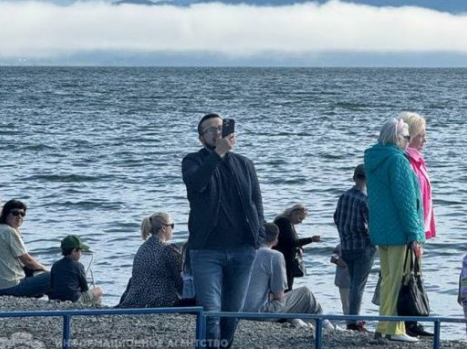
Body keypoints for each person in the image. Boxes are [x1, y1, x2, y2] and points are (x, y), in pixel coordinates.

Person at [182, 113, 266, 348]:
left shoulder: (244, 164)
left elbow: (256, 201)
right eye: (211, 129)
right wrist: (218, 153)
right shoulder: (192, 161)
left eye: (221, 127)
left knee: (232, 313)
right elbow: (197, 184)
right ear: (201, 138)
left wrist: (257, 238)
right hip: (207, 250)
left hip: (242, 250)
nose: (217, 132)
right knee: (210, 313)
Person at [365, 118, 425, 343]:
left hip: (381, 229)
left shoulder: (374, 159)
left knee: (388, 278)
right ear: (397, 138)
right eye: (407, 137)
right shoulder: (398, 161)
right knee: (399, 279)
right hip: (399, 231)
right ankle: (394, 328)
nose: (409, 141)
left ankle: (384, 325)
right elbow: (406, 201)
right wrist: (415, 234)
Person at [243, 223, 336, 330]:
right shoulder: (274, 256)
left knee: (285, 300)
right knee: (305, 294)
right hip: (259, 312)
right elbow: (279, 295)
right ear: (276, 240)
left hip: (237, 309)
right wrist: (272, 296)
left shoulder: (245, 252)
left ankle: (297, 321)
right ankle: (328, 327)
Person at [397, 112, 435, 337]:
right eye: (422, 135)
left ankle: (413, 319)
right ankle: (409, 321)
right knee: (408, 275)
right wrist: (415, 232)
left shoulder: (418, 161)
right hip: (412, 229)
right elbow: (411, 199)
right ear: (410, 136)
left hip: (418, 227)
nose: (425, 139)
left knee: (414, 274)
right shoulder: (408, 161)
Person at [333, 163, 376, 332]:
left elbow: (336, 218)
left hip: (346, 246)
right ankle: (353, 321)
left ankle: (351, 317)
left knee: (353, 284)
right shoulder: (365, 199)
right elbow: (372, 225)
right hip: (362, 247)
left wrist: (344, 236)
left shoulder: (343, 196)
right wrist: (373, 242)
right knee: (358, 285)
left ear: (354, 177)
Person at [0, 200, 51, 297]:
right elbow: (27, 261)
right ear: (6, 214)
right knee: (55, 275)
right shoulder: (9, 232)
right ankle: (64, 301)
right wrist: (46, 269)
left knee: (35, 273)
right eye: (15, 213)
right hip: (9, 288)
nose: (19, 216)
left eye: (22, 214)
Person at [118, 212, 183, 308]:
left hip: (134, 300)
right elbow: (180, 280)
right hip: (160, 301)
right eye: (172, 226)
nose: (173, 229)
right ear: (164, 228)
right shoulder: (169, 250)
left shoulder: (142, 249)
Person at [273, 204, 320, 292]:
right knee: (286, 287)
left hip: (286, 258)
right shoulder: (283, 222)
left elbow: (290, 241)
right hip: (284, 259)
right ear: (294, 214)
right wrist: (311, 239)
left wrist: (299, 247)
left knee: (287, 286)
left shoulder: (287, 222)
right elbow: (290, 242)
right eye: (300, 218)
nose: (300, 222)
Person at [48, 235, 102, 305]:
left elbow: (52, 285)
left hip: (56, 299)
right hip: (74, 300)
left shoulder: (55, 265)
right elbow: (85, 289)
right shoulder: (79, 266)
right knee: (98, 291)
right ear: (74, 251)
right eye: (80, 251)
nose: (81, 253)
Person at [330, 244, 351, 315]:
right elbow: (333, 258)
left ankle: (354, 322)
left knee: (350, 304)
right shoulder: (340, 246)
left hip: (352, 279)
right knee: (346, 304)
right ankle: (350, 322)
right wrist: (338, 261)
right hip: (344, 279)